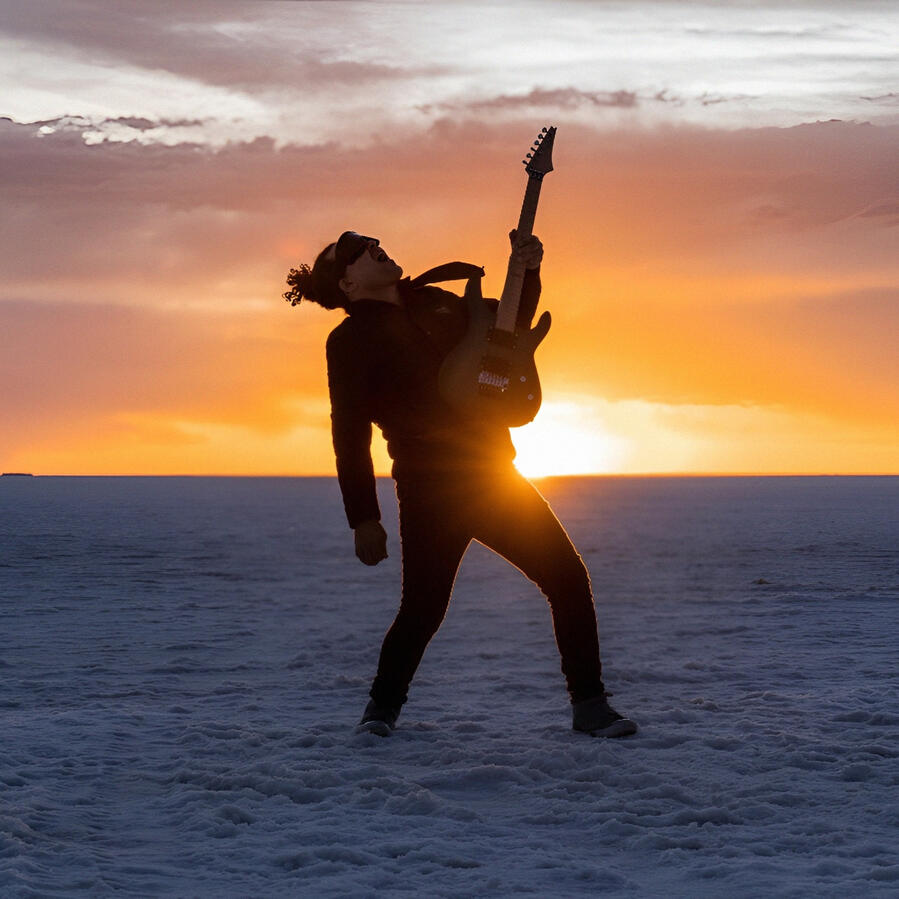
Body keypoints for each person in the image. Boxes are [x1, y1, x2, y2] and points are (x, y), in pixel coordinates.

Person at [284, 229, 637, 738]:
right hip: (429, 489)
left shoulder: (437, 301)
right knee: (423, 610)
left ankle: (590, 707)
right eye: (357, 248)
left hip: (492, 477)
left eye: (371, 239)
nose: (373, 243)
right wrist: (363, 517)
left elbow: (508, 324)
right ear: (348, 282)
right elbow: (349, 432)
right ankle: (380, 712)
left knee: (567, 579)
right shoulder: (348, 342)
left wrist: (527, 268)